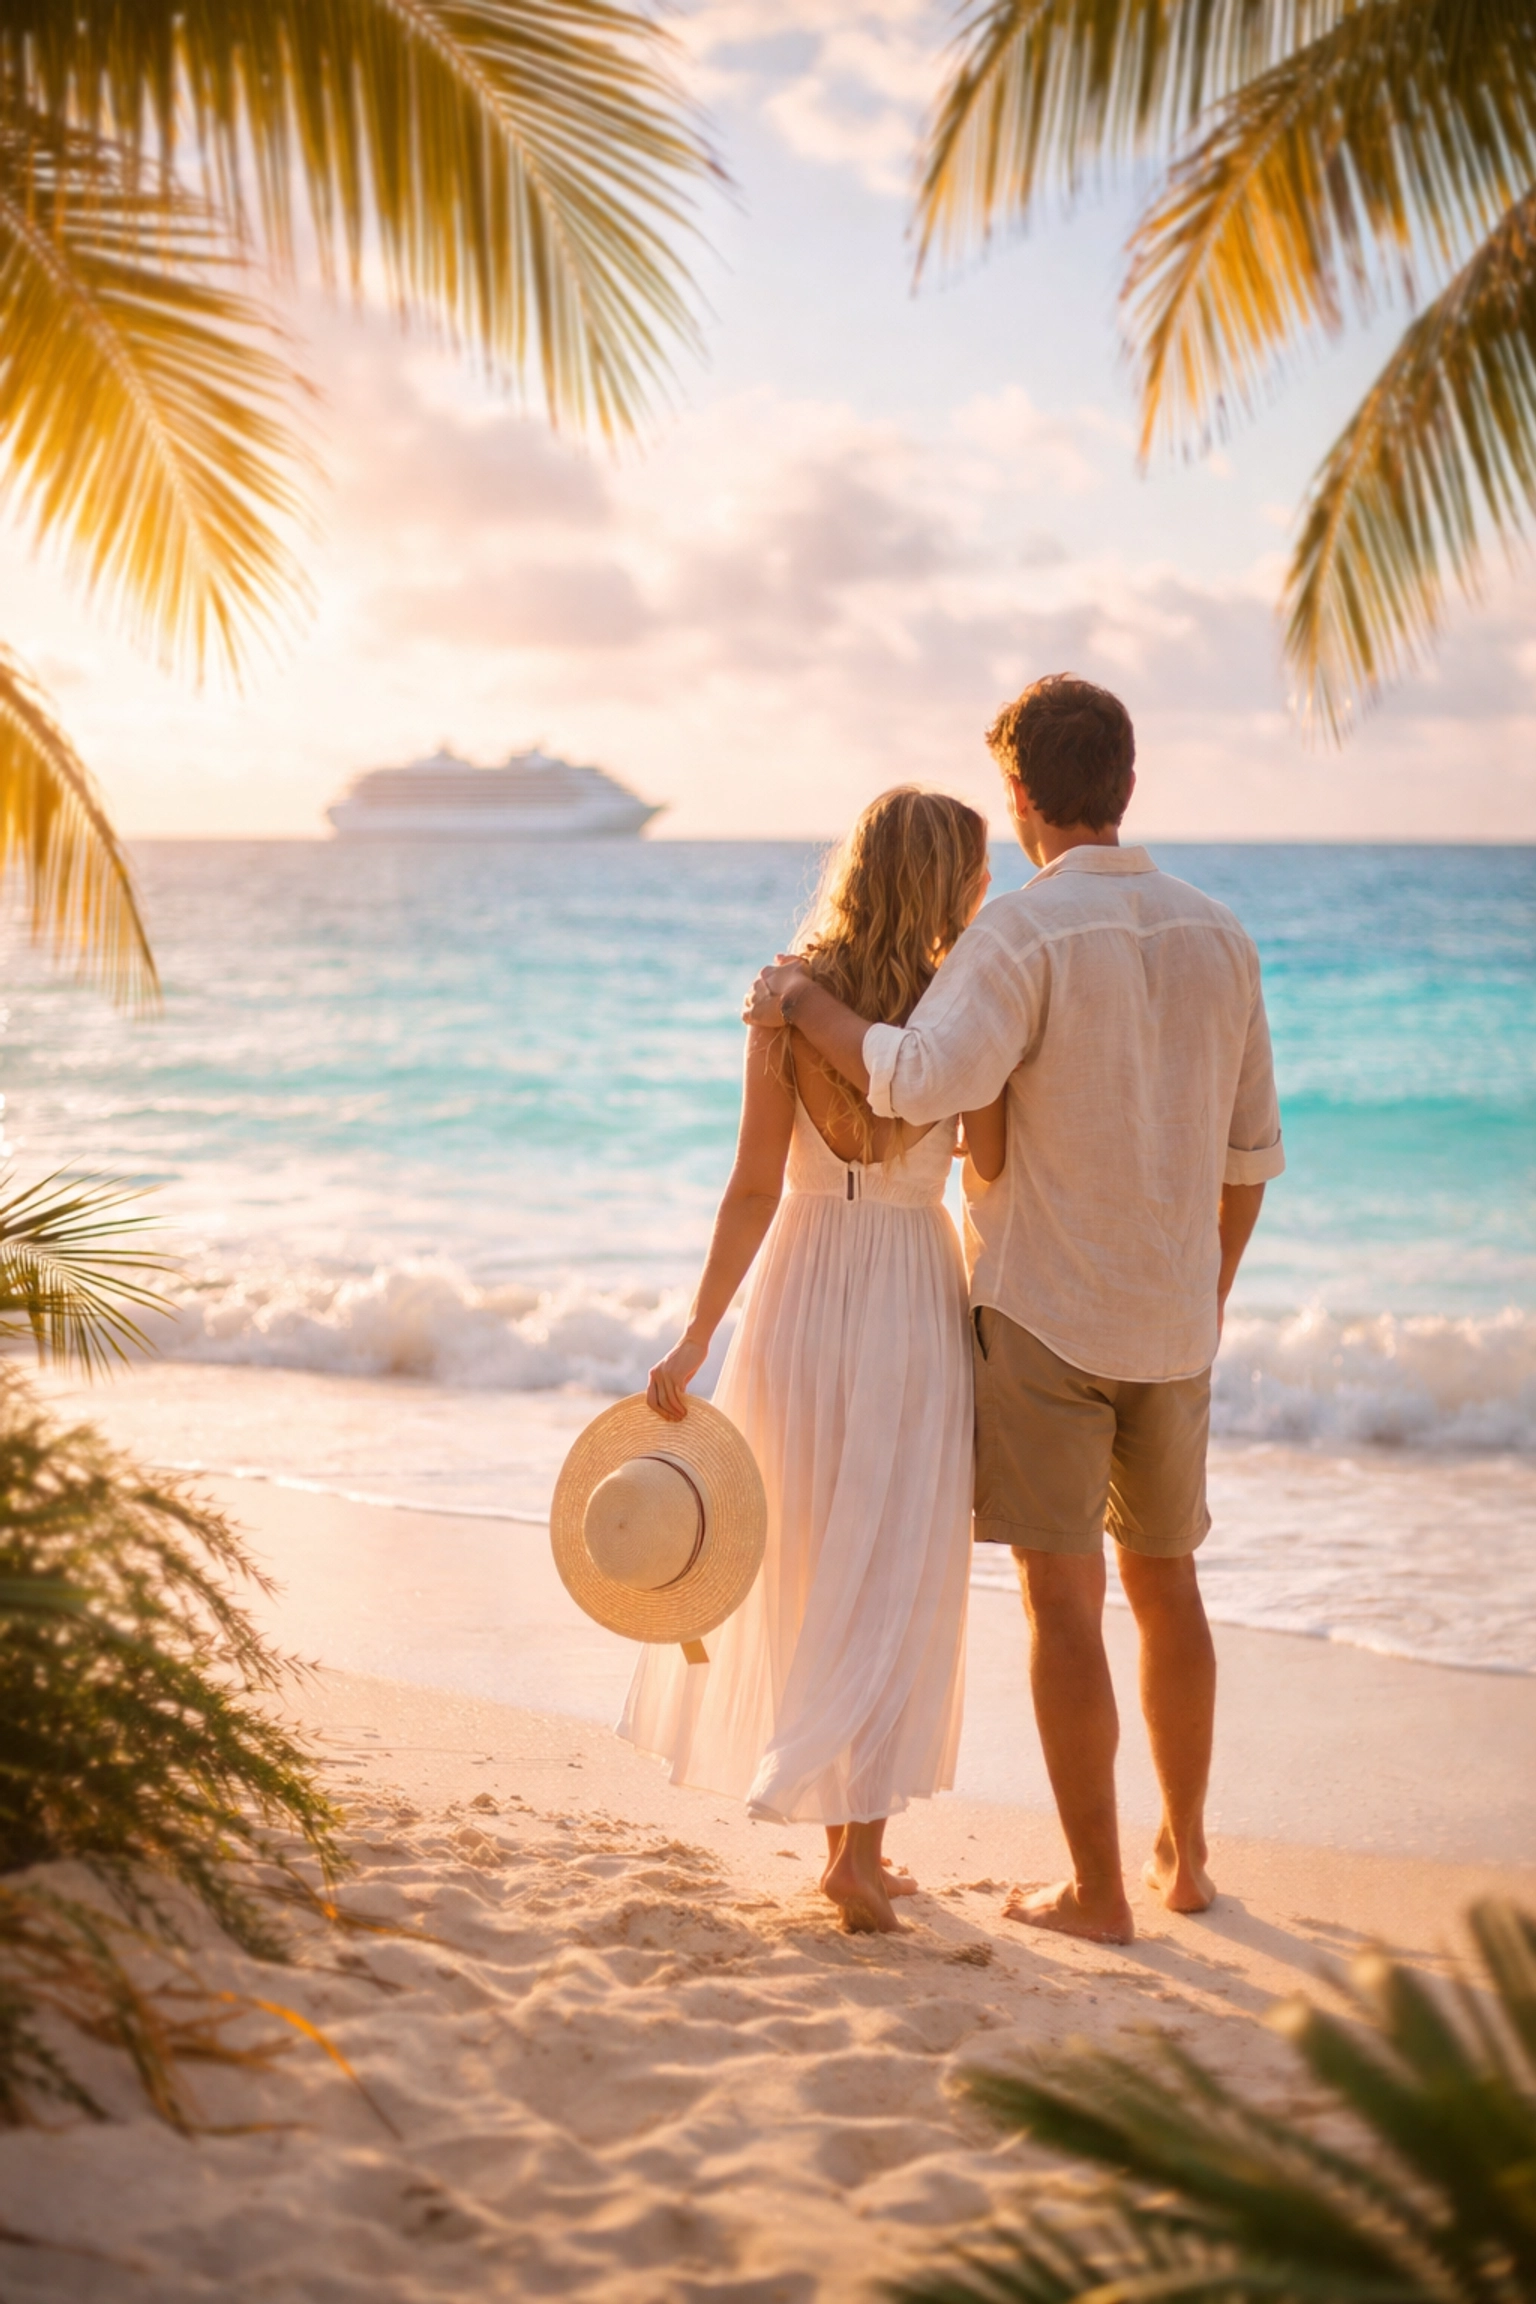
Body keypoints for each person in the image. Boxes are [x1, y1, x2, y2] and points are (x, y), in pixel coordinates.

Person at [745, 676, 1284, 1946]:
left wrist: (805, 1003)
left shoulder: (1020, 934)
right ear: (1128, 785)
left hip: (1044, 1314)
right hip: (1174, 1320)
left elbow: (916, 1078)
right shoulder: (1221, 934)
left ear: (1022, 795)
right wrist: (1207, 1294)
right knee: (1169, 1585)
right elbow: (1251, 1157)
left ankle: (1098, 1893)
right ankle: (1185, 1857)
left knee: (1065, 1603)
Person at [623, 788, 1006, 1933]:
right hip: (909, 1285)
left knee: (806, 1546)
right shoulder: (961, 1004)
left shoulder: (784, 999)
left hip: (798, 1283)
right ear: (948, 882)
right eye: (976, 871)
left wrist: (700, 1331)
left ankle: (850, 1846)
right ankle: (858, 1851)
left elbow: (751, 1185)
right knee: (888, 1558)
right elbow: (989, 1159)